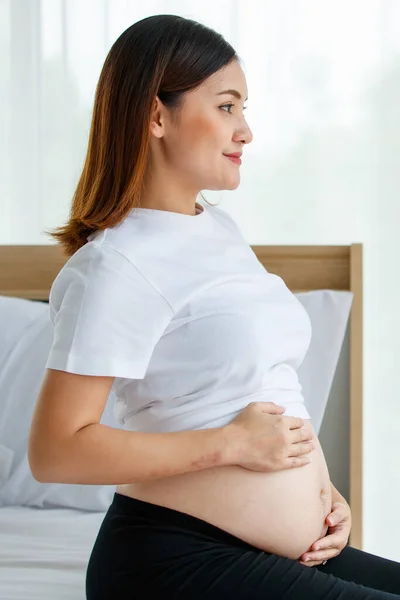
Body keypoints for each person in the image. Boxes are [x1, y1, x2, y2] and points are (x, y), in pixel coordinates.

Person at [28, 14, 400, 600]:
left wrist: (322, 494)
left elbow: (255, 385)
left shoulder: (217, 229)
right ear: (156, 115)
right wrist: (234, 446)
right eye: (227, 106)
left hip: (270, 552)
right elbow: (56, 450)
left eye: (244, 109)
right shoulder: (117, 265)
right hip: (171, 561)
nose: (246, 130)